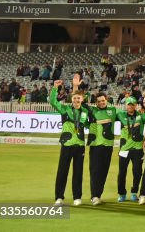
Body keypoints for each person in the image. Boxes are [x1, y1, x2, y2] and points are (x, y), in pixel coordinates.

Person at [49, 74, 91, 206]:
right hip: (67, 145)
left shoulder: (85, 111)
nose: (77, 100)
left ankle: (77, 197)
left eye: (79, 98)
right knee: (62, 171)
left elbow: (89, 125)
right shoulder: (65, 109)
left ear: (82, 99)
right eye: (75, 98)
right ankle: (59, 197)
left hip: (79, 145)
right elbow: (52, 102)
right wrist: (55, 88)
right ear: (71, 99)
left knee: (78, 173)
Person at [86, 91, 121, 205]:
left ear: (107, 100)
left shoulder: (113, 111)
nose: (101, 103)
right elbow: (78, 104)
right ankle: (94, 196)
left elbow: (126, 116)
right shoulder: (92, 110)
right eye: (99, 101)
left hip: (108, 146)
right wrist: (76, 86)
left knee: (103, 172)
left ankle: (98, 195)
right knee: (95, 171)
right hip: (96, 146)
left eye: (103, 100)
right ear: (96, 102)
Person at [116, 97, 145, 202]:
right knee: (122, 173)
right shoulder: (121, 114)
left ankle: (134, 192)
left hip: (138, 149)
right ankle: (122, 193)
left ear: (136, 105)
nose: (131, 106)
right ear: (126, 105)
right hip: (124, 149)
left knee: (137, 172)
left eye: (133, 104)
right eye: (129, 104)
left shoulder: (141, 116)